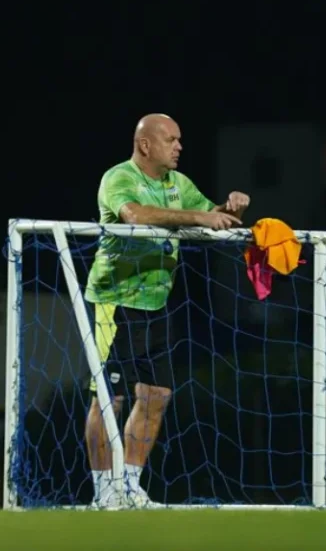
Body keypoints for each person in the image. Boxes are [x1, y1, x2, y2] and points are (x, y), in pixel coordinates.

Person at [82, 113, 250, 508]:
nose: (179, 146)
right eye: (171, 139)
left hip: (157, 302)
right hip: (115, 301)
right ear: (146, 145)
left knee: (156, 394)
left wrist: (231, 207)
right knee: (110, 399)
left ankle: (130, 487)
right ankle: (104, 491)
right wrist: (198, 216)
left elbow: (214, 218)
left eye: (179, 139)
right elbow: (135, 215)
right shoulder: (118, 178)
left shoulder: (179, 184)